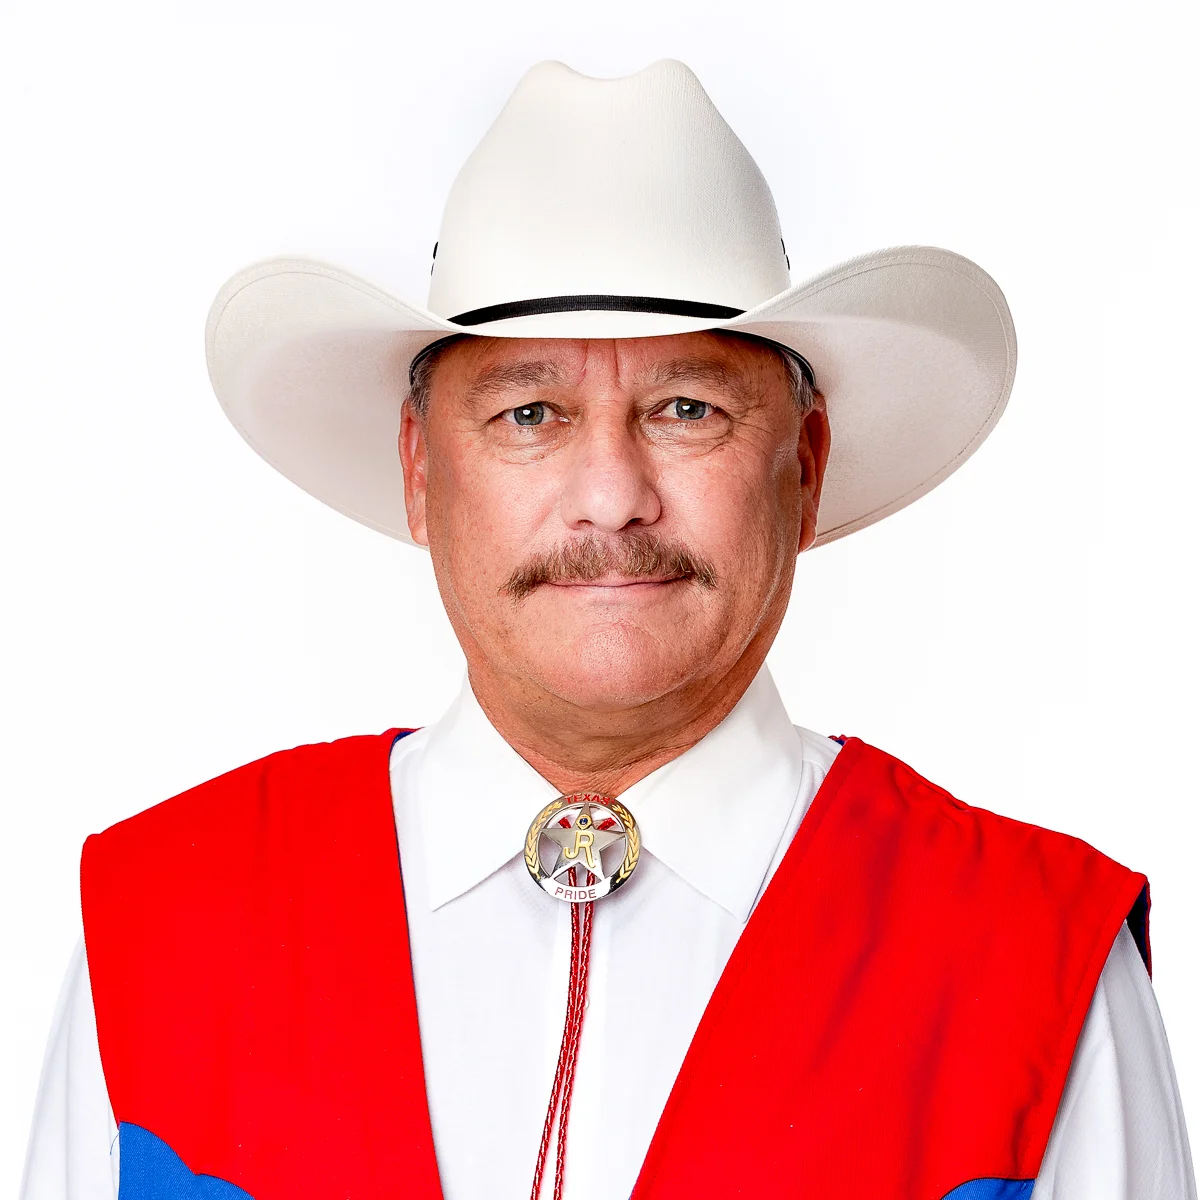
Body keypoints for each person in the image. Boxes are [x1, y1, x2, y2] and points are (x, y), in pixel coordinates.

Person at [20, 59, 1196, 1200]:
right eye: (529, 413)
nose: (611, 497)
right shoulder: (163, 926)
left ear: (805, 464)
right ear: (421, 471)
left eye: (687, 408)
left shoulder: (1036, 964)